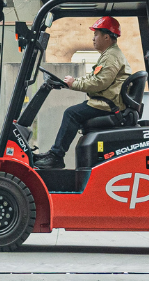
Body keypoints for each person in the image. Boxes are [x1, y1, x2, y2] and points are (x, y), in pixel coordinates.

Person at [32, 16, 130, 170]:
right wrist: (74, 81)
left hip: (108, 104)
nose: (93, 39)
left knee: (71, 113)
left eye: (96, 34)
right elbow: (94, 77)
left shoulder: (111, 57)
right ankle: (53, 154)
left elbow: (99, 83)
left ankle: (56, 157)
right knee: (74, 111)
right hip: (105, 101)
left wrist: (74, 84)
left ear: (106, 36)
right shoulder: (109, 55)